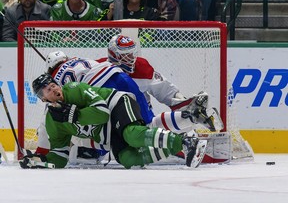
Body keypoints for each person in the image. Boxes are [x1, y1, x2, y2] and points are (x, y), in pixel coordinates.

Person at [19, 73, 208, 169]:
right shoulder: (53, 122)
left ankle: (186, 142)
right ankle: (178, 145)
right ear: (43, 99)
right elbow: (60, 156)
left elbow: (101, 113)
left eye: (53, 85)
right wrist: (40, 161)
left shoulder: (74, 89)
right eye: (48, 91)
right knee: (129, 160)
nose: (54, 90)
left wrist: (74, 114)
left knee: (132, 135)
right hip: (108, 134)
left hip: (117, 103)